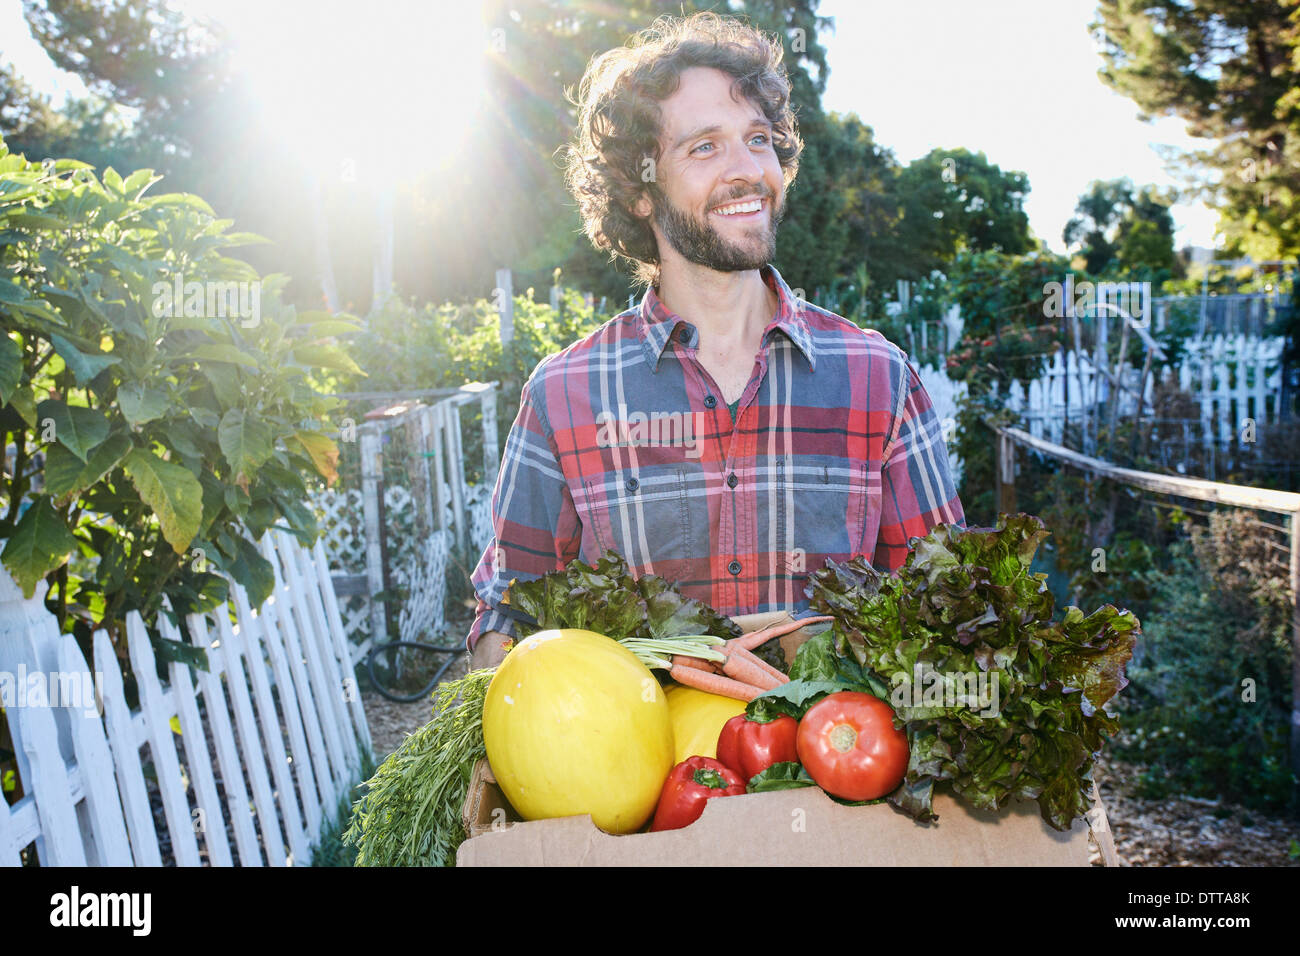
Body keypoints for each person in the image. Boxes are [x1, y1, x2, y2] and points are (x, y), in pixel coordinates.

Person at [467, 12, 963, 669]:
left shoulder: (881, 379)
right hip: (639, 768)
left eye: (758, 139)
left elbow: (948, 608)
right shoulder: (563, 398)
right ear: (640, 191)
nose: (747, 169)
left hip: (835, 766)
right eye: (705, 146)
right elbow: (510, 614)